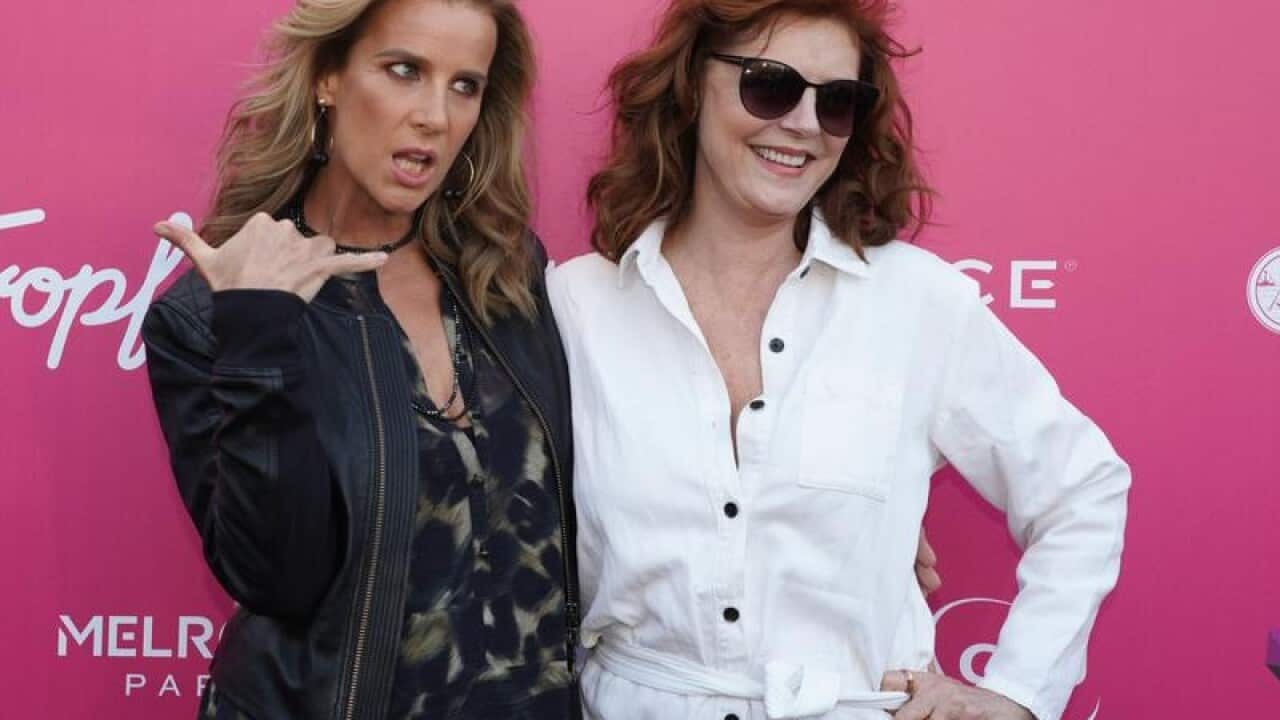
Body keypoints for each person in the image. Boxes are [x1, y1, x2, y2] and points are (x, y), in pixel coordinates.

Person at [548, 1, 1131, 719]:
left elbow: (1082, 488)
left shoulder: (916, 302)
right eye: (771, 84)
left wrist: (1017, 693)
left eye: (838, 102)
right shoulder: (575, 307)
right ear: (693, 86)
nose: (801, 124)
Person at [141, 1, 580, 717]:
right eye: (405, 71)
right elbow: (279, 578)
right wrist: (258, 335)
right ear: (328, 78)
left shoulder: (507, 275)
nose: (435, 116)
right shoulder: (213, 316)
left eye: (464, 85)